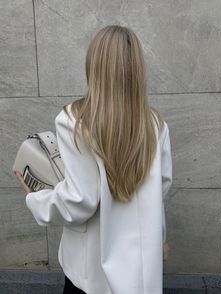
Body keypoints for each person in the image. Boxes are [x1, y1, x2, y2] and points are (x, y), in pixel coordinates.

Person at [14, 25, 172, 294]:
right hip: (139, 271)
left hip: (90, 272)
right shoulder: (155, 123)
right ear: (137, 69)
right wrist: (161, 238)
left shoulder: (74, 120)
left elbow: (79, 200)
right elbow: (161, 186)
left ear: (94, 65)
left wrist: (35, 198)